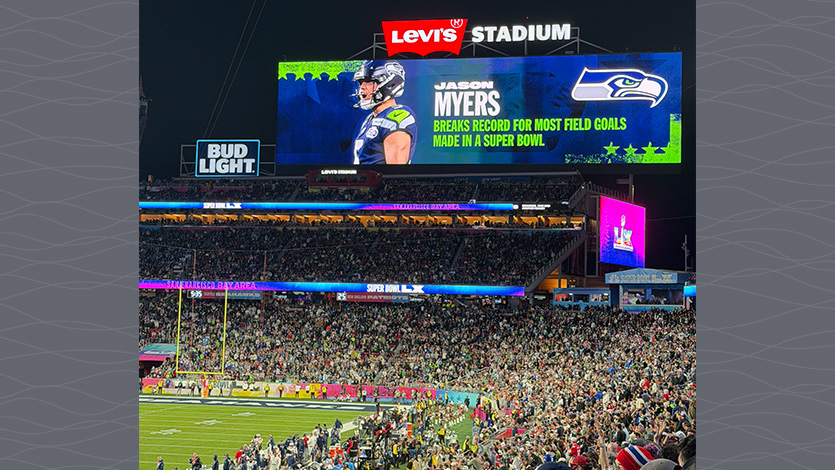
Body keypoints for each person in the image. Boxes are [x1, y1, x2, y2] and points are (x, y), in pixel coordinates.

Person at [351, 60, 417, 165]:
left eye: (368, 81)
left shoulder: (397, 116)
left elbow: (395, 172)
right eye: (360, 82)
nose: (362, 87)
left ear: (389, 84)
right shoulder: (371, 118)